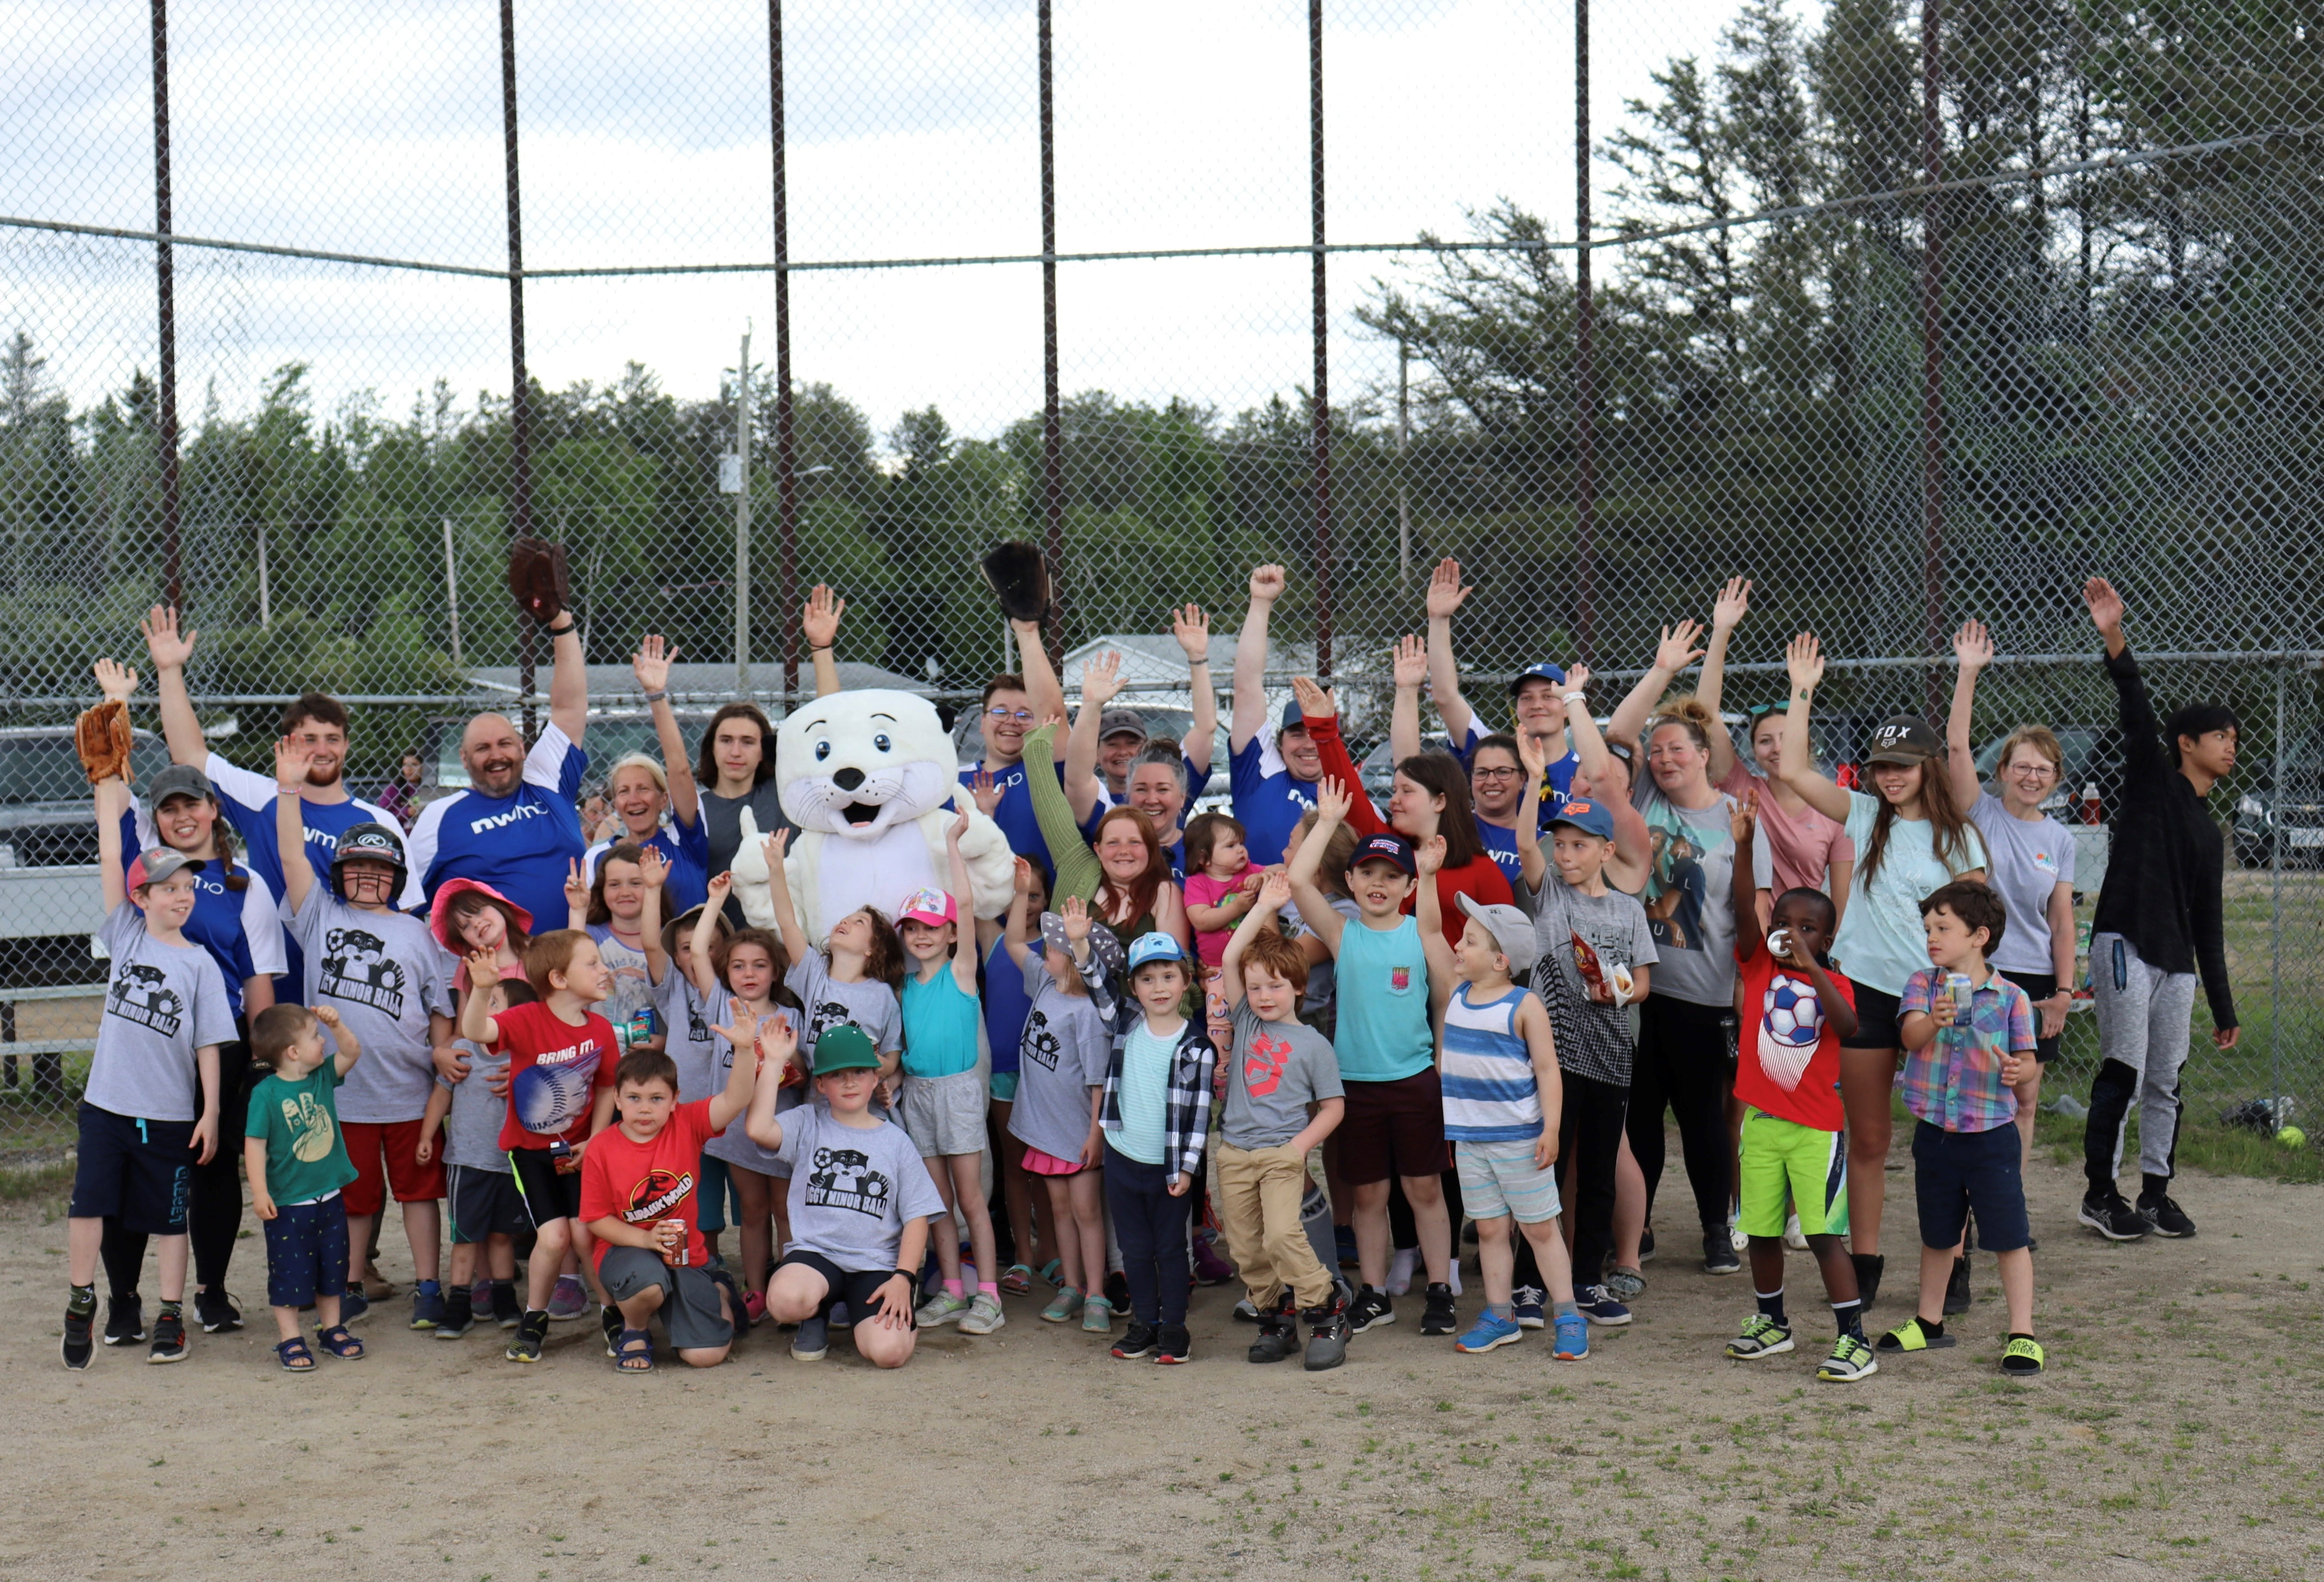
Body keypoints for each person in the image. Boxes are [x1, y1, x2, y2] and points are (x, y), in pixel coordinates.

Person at [1778, 632, 1988, 1308]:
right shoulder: (1864, 814)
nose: (1888, 776)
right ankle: (1863, 1261)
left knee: (1946, 1137)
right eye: (1879, 766)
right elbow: (1792, 770)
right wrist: (1801, 689)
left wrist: (1964, 988)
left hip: (1932, 996)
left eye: (1902, 765)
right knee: (1867, 1136)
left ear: (1927, 765)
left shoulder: (1957, 835)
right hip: (1865, 991)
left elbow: (1980, 922)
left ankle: (1951, 1260)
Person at [90, 657, 282, 1343]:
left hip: (220, 1039)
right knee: (132, 1166)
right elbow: (109, 796)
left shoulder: (246, 885)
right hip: (148, 1038)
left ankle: (210, 1290)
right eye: (168, 807)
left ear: (213, 810)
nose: (180, 816)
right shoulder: (146, 867)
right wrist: (116, 707)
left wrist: (262, 1055)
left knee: (211, 1163)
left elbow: (258, 976)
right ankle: (122, 1298)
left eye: (191, 804)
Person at [2074, 577, 2239, 1241]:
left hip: (2174, 964)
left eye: (2233, 737)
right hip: (2123, 944)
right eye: (2219, 736)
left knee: (2165, 1077)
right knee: (2124, 1065)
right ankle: (2097, 1192)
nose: (2230, 746)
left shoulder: (2206, 829)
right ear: (2184, 743)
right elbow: (2134, 705)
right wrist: (2113, 633)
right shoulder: (2149, 777)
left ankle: (2154, 1194)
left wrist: (2222, 1006)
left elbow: (2208, 922)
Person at [275, 735, 457, 1330]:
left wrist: (439, 1051)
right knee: (353, 1197)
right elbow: (291, 857)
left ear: (397, 875)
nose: (368, 876)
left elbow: (438, 1007)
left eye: (380, 868)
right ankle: (350, 1280)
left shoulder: (417, 933)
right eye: (356, 867)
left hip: (408, 1088)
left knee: (419, 1192)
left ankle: (429, 1283)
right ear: (340, 874)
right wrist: (288, 789)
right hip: (340, 1089)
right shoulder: (321, 915)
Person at [141, 605, 414, 992]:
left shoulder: (379, 823)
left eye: (332, 739)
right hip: (277, 983)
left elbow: (404, 913)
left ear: (347, 745)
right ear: (286, 744)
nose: (322, 750)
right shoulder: (263, 797)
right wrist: (169, 672)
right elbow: (189, 754)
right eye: (309, 739)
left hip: (354, 986)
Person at [63, 781, 233, 1370]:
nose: (182, 897)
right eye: (169, 889)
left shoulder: (199, 963)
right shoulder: (127, 934)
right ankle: (82, 1295)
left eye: (187, 887)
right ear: (143, 897)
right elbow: (112, 853)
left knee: (169, 1219)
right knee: (90, 1203)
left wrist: (210, 1111)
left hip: (167, 1114)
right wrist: (106, 781)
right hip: (107, 1104)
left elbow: (209, 1043)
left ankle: (169, 1314)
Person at [1597, 625, 1750, 1276]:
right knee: (1639, 1118)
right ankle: (1641, 1224)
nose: (1662, 758)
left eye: (1675, 749)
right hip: (1637, 987)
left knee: (1703, 1120)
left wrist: (1744, 993)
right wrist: (1661, 673)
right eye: (1656, 751)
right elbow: (1615, 740)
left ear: (1703, 753)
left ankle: (1717, 1227)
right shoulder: (1642, 798)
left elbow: (1746, 912)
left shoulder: (1736, 820)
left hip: (1701, 987)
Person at [1286, 780, 1458, 1339]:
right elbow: (1295, 881)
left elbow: (1443, 1002)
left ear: (1408, 886)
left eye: (1391, 877)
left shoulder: (1421, 932)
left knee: (1425, 1189)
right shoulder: (1342, 933)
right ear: (1352, 881)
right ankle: (1374, 1293)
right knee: (1367, 1195)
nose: (1378, 884)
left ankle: (1439, 1290)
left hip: (1413, 1082)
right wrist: (1328, 824)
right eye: (1367, 874)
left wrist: (1438, 1063)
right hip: (1354, 1085)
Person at [1723, 801, 1875, 1383]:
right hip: (1760, 1124)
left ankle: (1852, 1339)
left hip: (1815, 1130)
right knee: (1760, 1229)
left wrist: (1811, 965)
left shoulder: (1833, 982)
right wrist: (1742, 845)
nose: (1791, 933)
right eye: (1782, 923)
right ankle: (1771, 1323)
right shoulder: (1758, 964)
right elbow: (1741, 907)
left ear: (1826, 935)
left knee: (1820, 1234)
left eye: (1806, 927)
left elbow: (1847, 1026)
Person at [1508, 742, 1657, 1329]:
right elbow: (1525, 843)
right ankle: (1526, 1285)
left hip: (1611, 1054)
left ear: (1605, 850)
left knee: (1596, 1171)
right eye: (1561, 843)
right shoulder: (1550, 894)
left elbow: (1643, 981)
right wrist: (1535, 778)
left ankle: (1586, 1280)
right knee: (1543, 1165)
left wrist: (1616, 990)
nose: (1564, 853)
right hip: (1553, 1056)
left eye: (1577, 845)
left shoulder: (1626, 911)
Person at [1878, 882, 2044, 1378]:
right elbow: (1909, 1037)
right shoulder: (1921, 986)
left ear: (1979, 936)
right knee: (1938, 1233)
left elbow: (2028, 1061)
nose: (1931, 936)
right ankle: (1928, 1322)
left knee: (2008, 1236)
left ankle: (2022, 1333)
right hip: (1935, 1132)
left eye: (1943, 927)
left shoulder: (2012, 997)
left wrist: (2020, 1072)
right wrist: (1933, 1020)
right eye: (1928, 927)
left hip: (1991, 1135)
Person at [1420, 882, 1587, 1362]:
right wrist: (1428, 875)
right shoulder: (1455, 994)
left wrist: (1551, 1128)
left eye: (1470, 941)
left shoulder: (1524, 1006)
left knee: (1539, 1230)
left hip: (1520, 1142)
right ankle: (1500, 1314)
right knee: (1491, 1231)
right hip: (1470, 1142)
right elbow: (1430, 929)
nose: (1457, 945)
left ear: (1500, 961)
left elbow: (1548, 1070)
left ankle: (1568, 1315)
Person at [1946, 619, 2076, 1176]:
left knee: (2023, 1099)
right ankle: (1966, 1204)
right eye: (2020, 765)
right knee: (1975, 1089)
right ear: (2001, 771)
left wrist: (2065, 993)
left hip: (2035, 983)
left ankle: (2008, 1199)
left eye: (2042, 769)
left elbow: (2062, 921)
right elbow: (1955, 744)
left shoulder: (2060, 839)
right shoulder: (1981, 812)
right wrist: (1968, 673)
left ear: (2054, 779)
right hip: (1982, 973)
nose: (2030, 775)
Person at [745, 1016, 945, 1369]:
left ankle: (860, 1313)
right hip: (817, 1255)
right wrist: (775, 1062)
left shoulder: (896, 1141)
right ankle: (816, 1314)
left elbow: (918, 1215)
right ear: (821, 1084)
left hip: (875, 1263)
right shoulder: (809, 1121)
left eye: (859, 1072)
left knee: (889, 1353)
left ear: (875, 1078)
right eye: (837, 1074)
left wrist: (904, 1277)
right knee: (785, 1300)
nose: (849, 1082)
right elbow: (759, 1128)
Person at [459, 930, 621, 1364]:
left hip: (583, 1152)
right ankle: (535, 1317)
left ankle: (613, 1314)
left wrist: (597, 1140)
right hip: (531, 1154)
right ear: (559, 978)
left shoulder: (603, 1030)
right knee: (553, 1239)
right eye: (592, 963)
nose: (603, 970)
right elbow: (477, 1030)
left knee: (588, 1233)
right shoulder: (527, 1019)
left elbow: (607, 1088)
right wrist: (483, 988)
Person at [1216, 872, 1349, 1370]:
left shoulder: (1314, 1045)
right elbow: (1232, 956)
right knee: (1247, 1247)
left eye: (1274, 986)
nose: (1263, 996)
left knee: (1280, 1236)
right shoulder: (1246, 1019)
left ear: (1297, 987)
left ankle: (1328, 1309)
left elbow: (1333, 1108)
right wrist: (1264, 905)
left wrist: (1297, 1149)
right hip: (1233, 1152)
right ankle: (1275, 1321)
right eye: (1255, 988)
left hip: (1280, 1156)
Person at [405, 594, 590, 931]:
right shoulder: (440, 817)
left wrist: (562, 624)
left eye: (505, 743)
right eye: (482, 748)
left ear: (522, 748)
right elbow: (406, 904)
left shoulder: (546, 780)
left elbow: (569, 706)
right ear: (463, 759)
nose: (496, 755)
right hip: (498, 976)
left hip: (569, 963)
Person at [1292, 671, 1517, 946]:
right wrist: (1324, 730)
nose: (1393, 801)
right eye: (1394, 790)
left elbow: (1509, 945)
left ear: (1440, 801)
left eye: (1407, 792)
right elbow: (1348, 792)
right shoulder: (1386, 846)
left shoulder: (1480, 870)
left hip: (1454, 985)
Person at [581, 1040, 759, 1373]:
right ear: (617, 1098)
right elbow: (595, 1219)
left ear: (675, 1100)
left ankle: (717, 1286)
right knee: (647, 1281)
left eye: (657, 1099)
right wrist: (646, 1240)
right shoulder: (601, 1148)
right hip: (626, 1249)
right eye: (634, 1098)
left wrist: (745, 1048)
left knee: (705, 1356)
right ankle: (634, 1328)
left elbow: (736, 1099)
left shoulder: (687, 1123)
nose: (644, 1109)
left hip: (684, 1254)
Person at [895, 818, 1007, 1339]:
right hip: (917, 1095)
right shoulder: (903, 986)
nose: (922, 935)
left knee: (970, 1200)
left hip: (959, 1092)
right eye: (913, 928)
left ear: (952, 934)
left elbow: (964, 903)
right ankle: (952, 1290)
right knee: (934, 1200)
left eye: (932, 927)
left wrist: (951, 847)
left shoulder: (962, 972)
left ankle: (988, 1294)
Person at [678, 873, 801, 1325]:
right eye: (739, 966)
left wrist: (782, 1064)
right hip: (734, 1135)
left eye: (759, 965)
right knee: (751, 1211)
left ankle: (790, 1282)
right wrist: (714, 901)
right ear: (727, 972)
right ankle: (756, 1290)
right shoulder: (722, 1006)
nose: (749, 974)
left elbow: (802, 1074)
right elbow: (696, 952)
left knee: (786, 1211)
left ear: (775, 971)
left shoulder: (791, 1016)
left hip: (780, 1130)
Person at [1001, 884, 1118, 1333]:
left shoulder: (1088, 1014)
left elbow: (1096, 1084)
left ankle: (1097, 1293)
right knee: (1061, 1212)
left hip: (1077, 1135)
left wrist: (1095, 1136)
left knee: (1088, 1213)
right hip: (1046, 1131)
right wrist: (1017, 894)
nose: (1042, 952)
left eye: (1051, 948)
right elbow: (1013, 942)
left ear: (1071, 960)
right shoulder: (1044, 983)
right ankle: (1071, 1286)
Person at [1097, 932, 1216, 1365]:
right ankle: (1144, 1322)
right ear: (1134, 988)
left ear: (1186, 982)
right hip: (1122, 1157)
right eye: (1147, 979)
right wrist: (1077, 941)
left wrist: (1186, 1170)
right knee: (1134, 1249)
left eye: (1168, 976)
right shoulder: (1125, 1024)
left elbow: (1198, 1116)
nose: (1159, 987)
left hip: (1170, 1169)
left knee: (1170, 1249)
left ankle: (1174, 1328)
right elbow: (1096, 983)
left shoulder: (1197, 1047)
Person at [244, 1003, 368, 1370]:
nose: (323, 1042)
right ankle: (290, 1337)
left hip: (328, 1196)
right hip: (289, 1204)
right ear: (293, 1052)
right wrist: (260, 1191)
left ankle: (333, 1328)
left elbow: (352, 1051)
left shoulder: (322, 1077)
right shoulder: (265, 1094)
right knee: (289, 1272)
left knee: (333, 1268)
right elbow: (255, 1144)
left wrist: (337, 1023)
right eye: (316, 1036)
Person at [417, 977, 536, 1339]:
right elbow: (441, 1096)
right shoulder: (464, 1049)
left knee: (502, 1237)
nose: (483, 1005)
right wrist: (426, 1135)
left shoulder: (525, 1058)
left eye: (493, 1001)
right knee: (465, 1237)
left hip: (509, 1163)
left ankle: (504, 1298)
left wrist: (525, 1076)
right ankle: (459, 1304)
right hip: (467, 1162)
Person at [1420, 557, 1581, 800]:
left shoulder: (1585, 769)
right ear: (1517, 708)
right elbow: (1446, 697)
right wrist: (1439, 620)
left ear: (1568, 707)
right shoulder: (1495, 757)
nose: (1537, 704)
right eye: (1526, 698)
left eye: (1548, 696)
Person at [580, 636, 709, 915]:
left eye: (643, 789)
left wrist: (656, 695)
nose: (634, 799)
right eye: (623, 792)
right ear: (615, 804)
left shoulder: (684, 841)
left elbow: (679, 769)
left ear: (664, 799)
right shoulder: (597, 858)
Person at [957, 608, 1077, 878]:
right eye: (1000, 712)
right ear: (983, 722)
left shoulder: (1049, 774)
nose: (1011, 721)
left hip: (1042, 911)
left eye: (1025, 715)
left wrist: (1027, 632)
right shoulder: (953, 783)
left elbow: (1054, 712)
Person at [983, 858, 1050, 1293]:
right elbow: (970, 890)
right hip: (1003, 1072)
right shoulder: (991, 938)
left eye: (1033, 895)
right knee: (1015, 1165)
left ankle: (1052, 1252)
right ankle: (1023, 1256)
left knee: (1047, 1166)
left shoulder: (1055, 944)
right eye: (1015, 894)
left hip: (1046, 1076)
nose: (1023, 904)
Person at [1230, 564, 1325, 865]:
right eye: (1297, 733)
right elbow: (1246, 688)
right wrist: (1260, 602)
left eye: (1317, 733)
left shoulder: (1348, 793)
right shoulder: (1260, 774)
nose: (1309, 744)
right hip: (1257, 905)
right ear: (1280, 741)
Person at [696, 700, 792, 928]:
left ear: (763, 752)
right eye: (726, 741)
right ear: (712, 747)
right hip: (720, 942)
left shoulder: (784, 797)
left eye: (748, 742)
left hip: (784, 941)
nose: (736, 752)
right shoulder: (696, 811)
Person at [569, 843, 671, 1052]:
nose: (625, 892)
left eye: (636, 883)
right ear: (602, 890)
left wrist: (669, 1043)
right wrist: (578, 911)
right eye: (614, 885)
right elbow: (571, 968)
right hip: (601, 1056)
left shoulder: (669, 938)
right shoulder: (592, 935)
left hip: (655, 1059)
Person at [1181, 811, 1263, 969]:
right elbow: (1201, 920)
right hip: (1217, 968)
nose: (1240, 850)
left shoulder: (1249, 870)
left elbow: (1281, 870)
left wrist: (1262, 878)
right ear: (1203, 858)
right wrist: (1237, 907)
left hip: (1255, 962)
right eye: (1231, 846)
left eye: (1241, 844)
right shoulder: (1197, 884)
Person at [377, 751, 427, 832]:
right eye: (405, 765)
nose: (409, 769)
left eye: (414, 765)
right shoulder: (394, 789)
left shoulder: (427, 788)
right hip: (400, 833)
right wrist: (406, 813)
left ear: (423, 767)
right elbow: (382, 813)